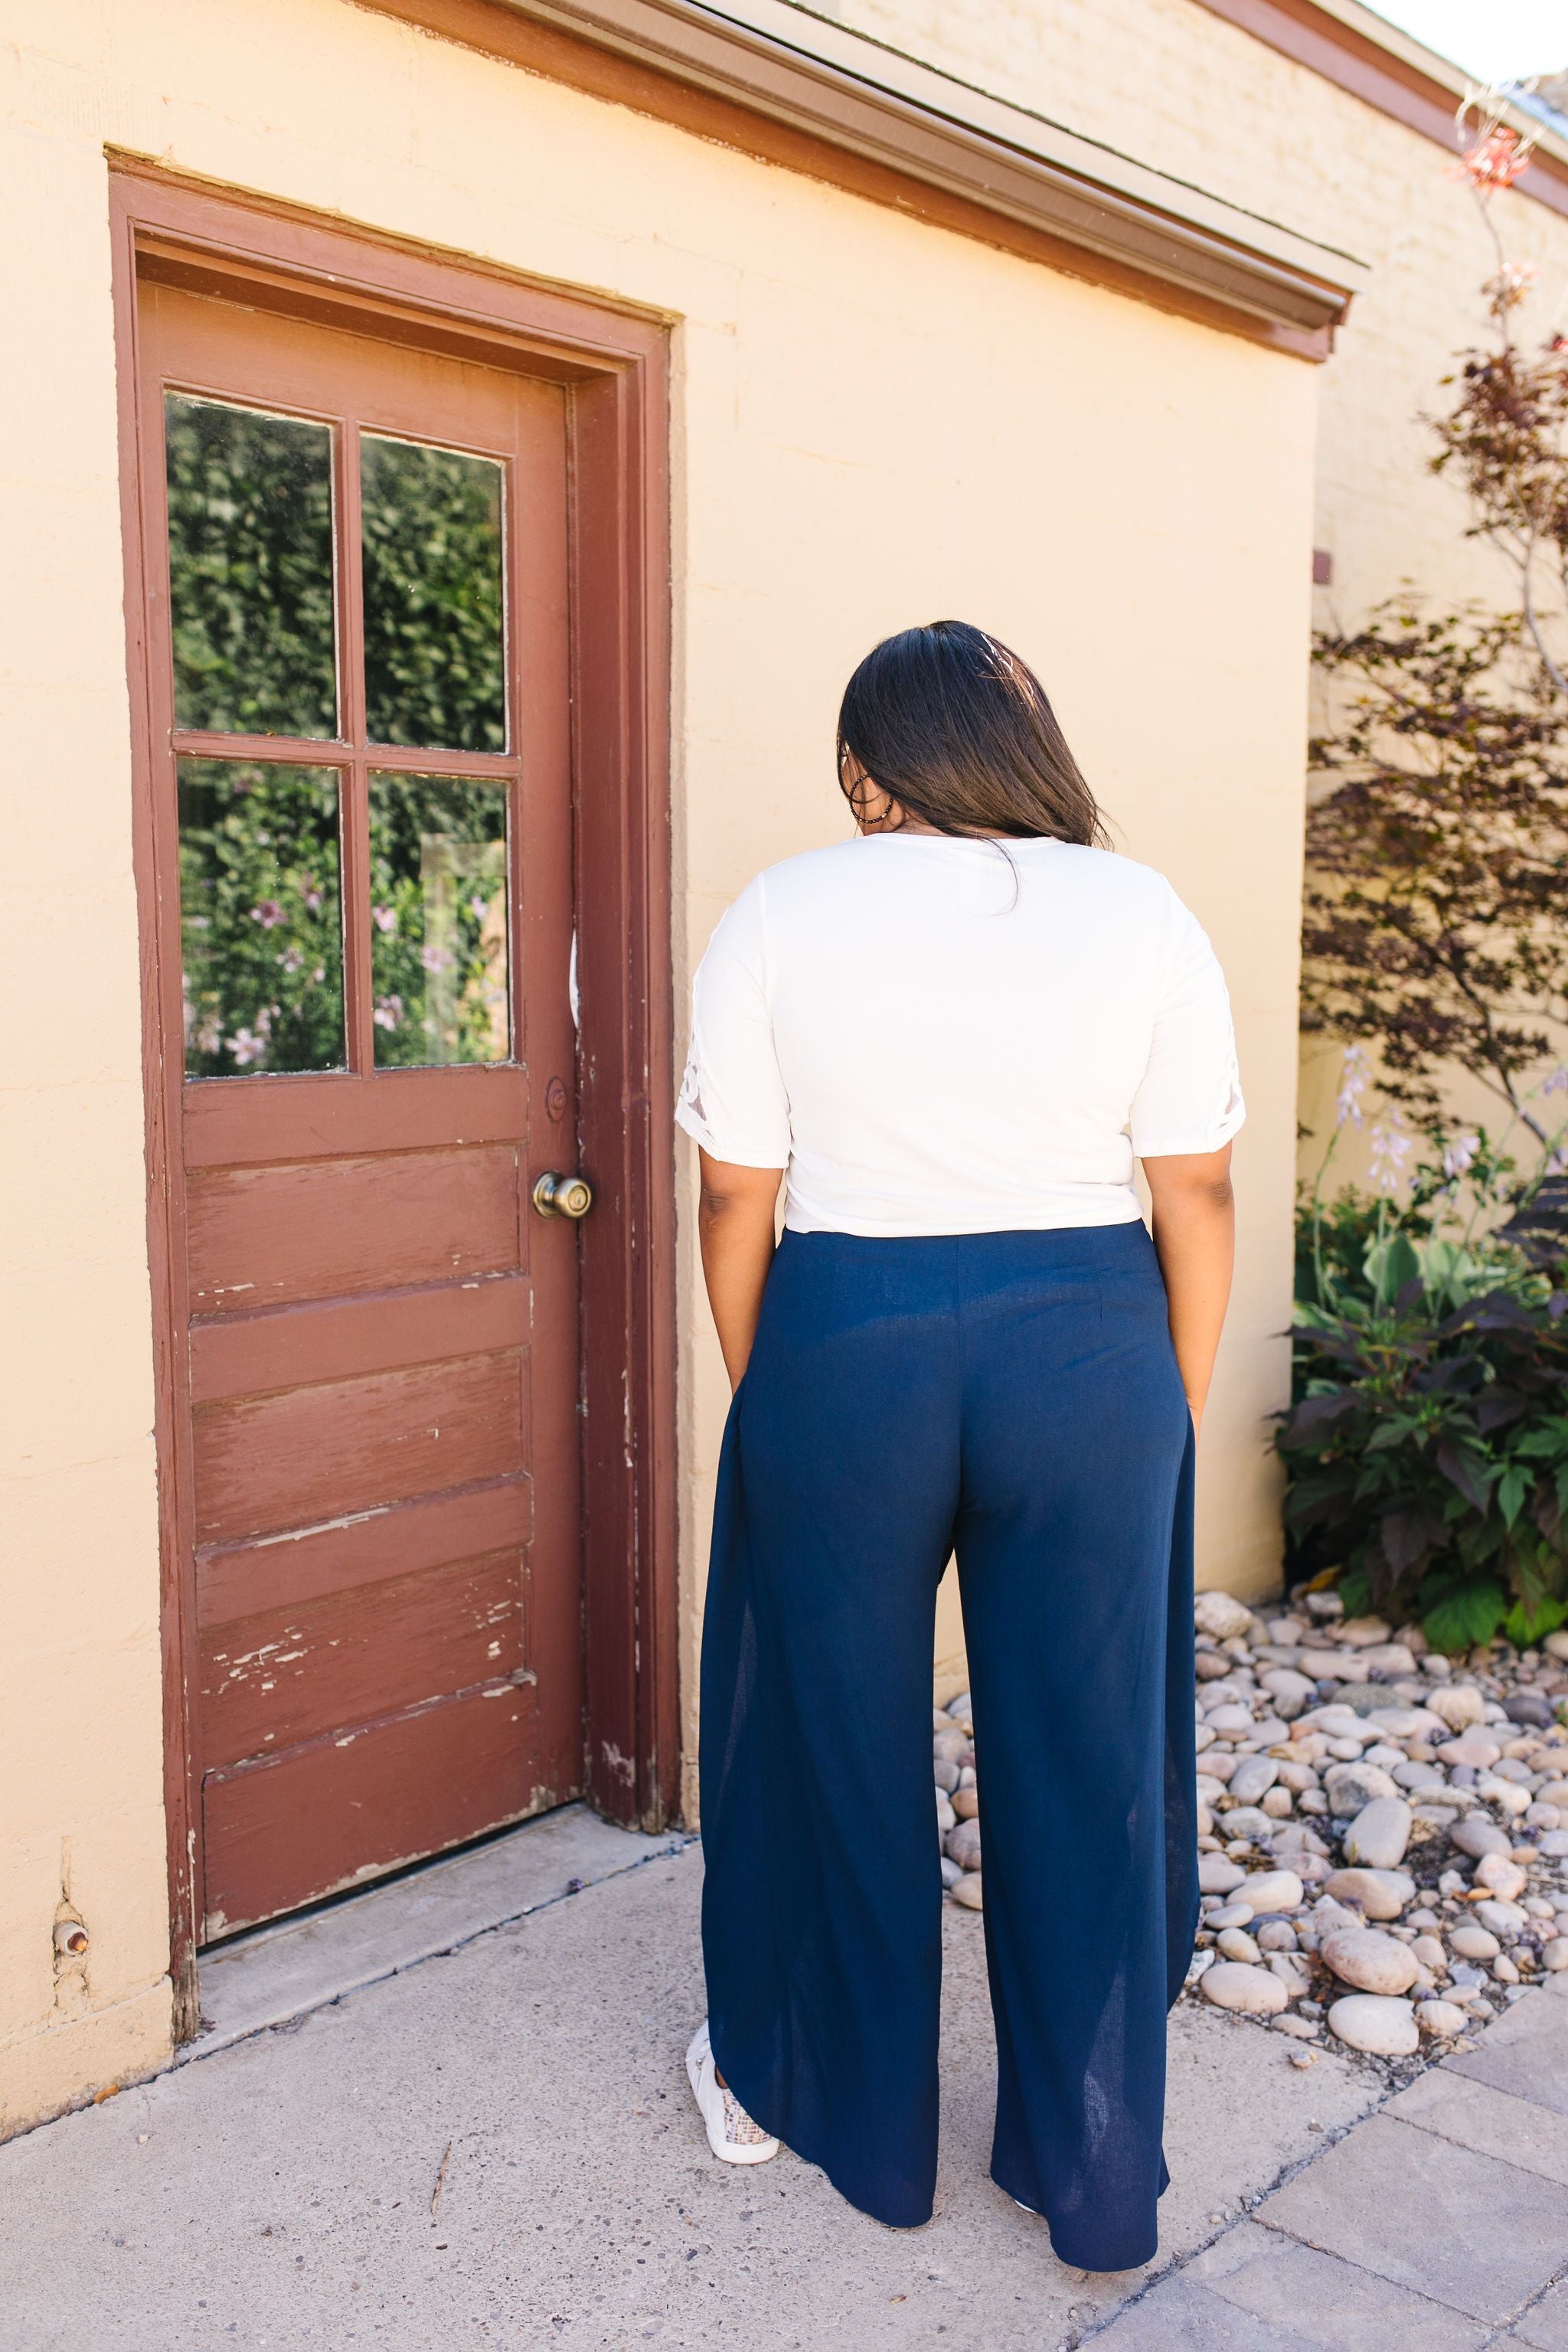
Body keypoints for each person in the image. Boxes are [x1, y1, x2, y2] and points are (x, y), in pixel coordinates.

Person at [676, 619, 1242, 2271]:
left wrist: (770, 1382)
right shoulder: (1138, 909)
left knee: (826, 1739)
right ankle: (1089, 2166)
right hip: (1091, 1343)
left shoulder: (781, 907)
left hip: (843, 1340)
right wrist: (1167, 1402)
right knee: (1085, 1758)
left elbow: (734, 1191)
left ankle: (844, 2116)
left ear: (868, 772)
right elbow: (1190, 1188)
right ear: (1027, 754)